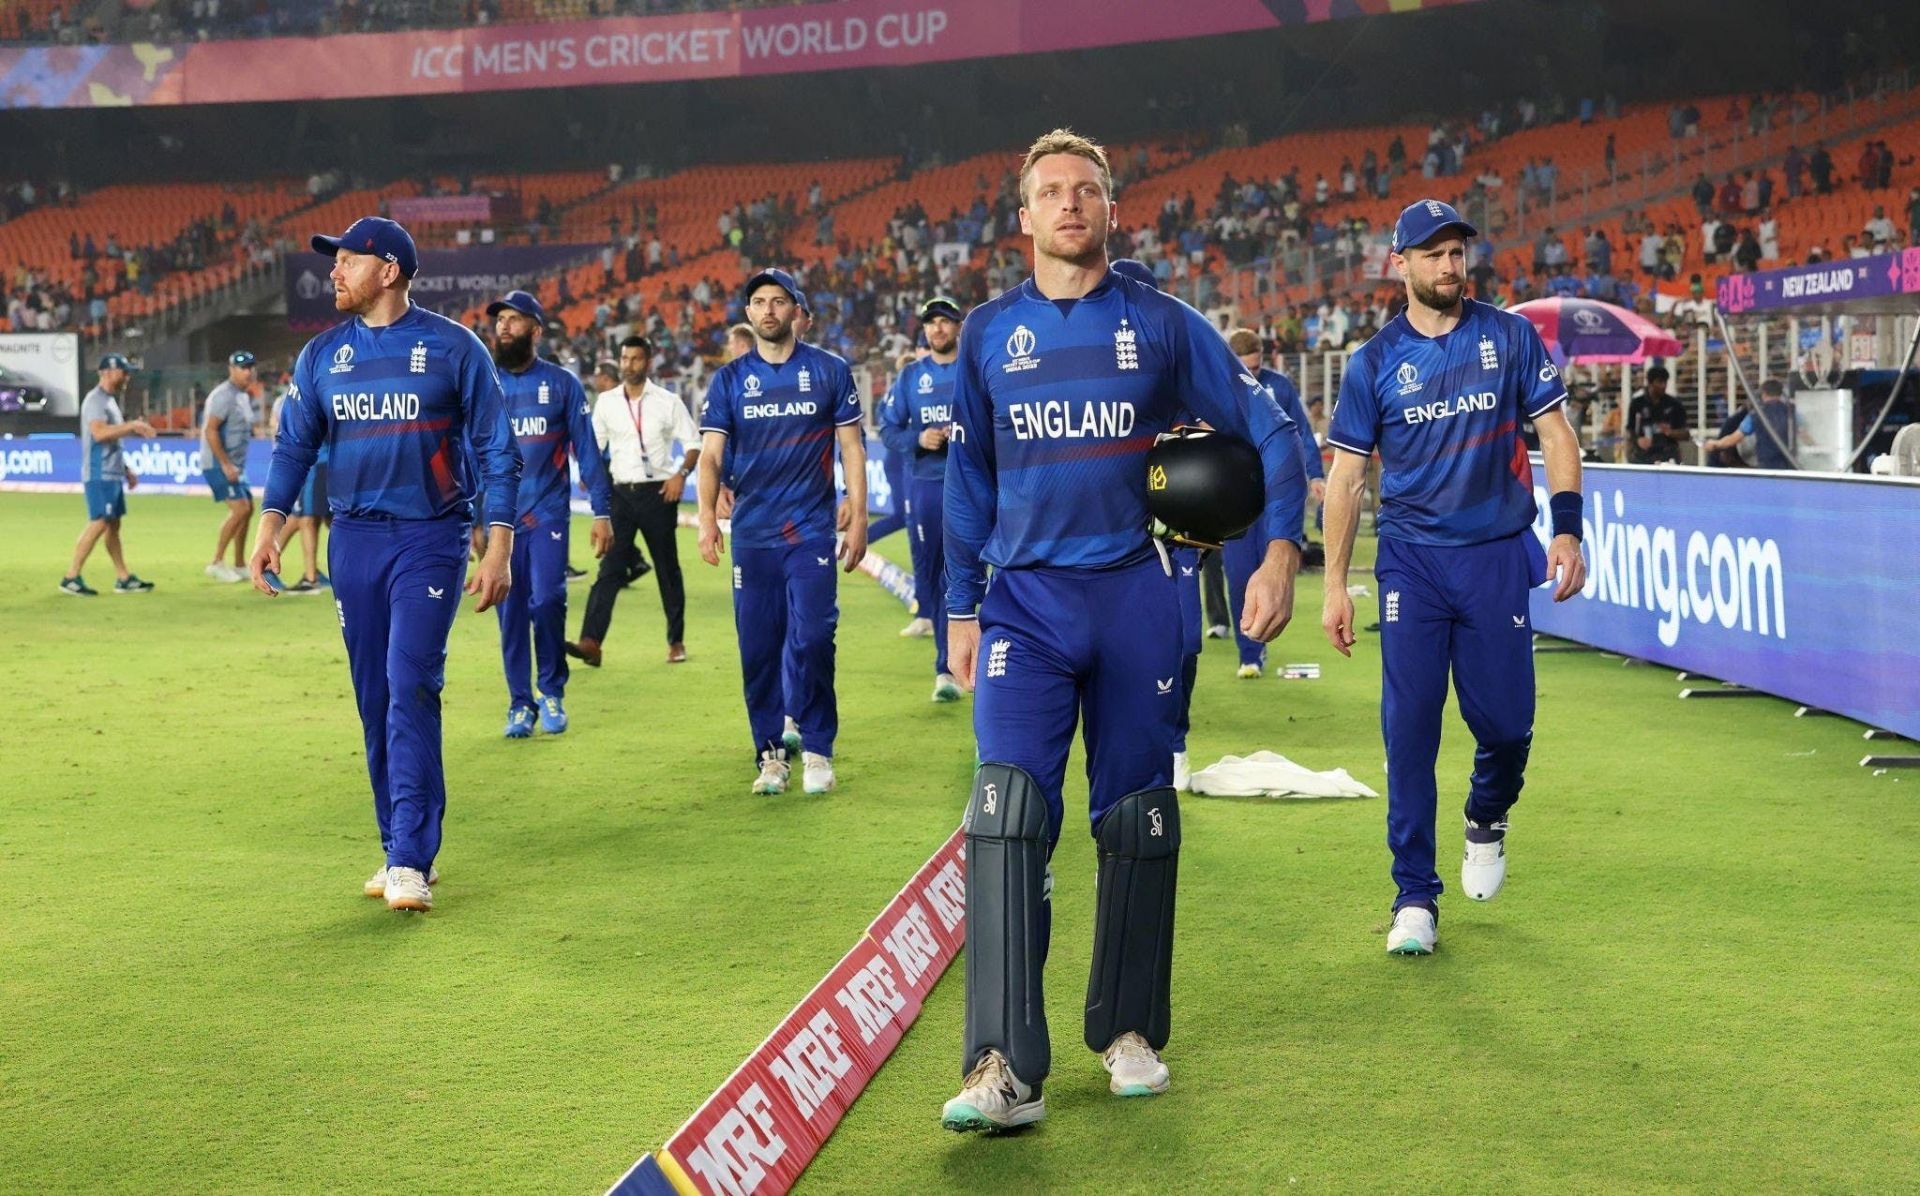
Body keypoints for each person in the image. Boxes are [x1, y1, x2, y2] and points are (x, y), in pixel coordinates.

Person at [939, 130, 1305, 1133]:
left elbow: (1269, 427)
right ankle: (1003, 1066)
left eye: (1085, 191)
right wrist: (958, 608)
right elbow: (966, 480)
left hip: (1142, 596)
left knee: (1138, 817)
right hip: (1024, 605)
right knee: (1006, 810)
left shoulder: (1163, 323)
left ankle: (1129, 1032)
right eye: (1050, 192)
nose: (1068, 205)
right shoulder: (984, 335)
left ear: (1112, 209)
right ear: (1023, 218)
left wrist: (1278, 553)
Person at [1321, 199, 1586, 957]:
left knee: (1505, 726)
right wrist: (1337, 583)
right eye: (1432, 254)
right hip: (1411, 561)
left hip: (1497, 554)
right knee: (1409, 729)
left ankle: (1488, 810)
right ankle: (1414, 896)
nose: (1448, 266)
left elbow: (1556, 435)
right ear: (1399, 263)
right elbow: (1345, 479)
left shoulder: (1508, 335)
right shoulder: (1373, 362)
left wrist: (1565, 527)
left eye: (1456, 252)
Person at [251, 216, 520, 915]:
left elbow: (497, 451)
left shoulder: (454, 348)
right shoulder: (321, 356)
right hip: (354, 542)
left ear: (390, 270)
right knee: (375, 696)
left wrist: (498, 545)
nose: (332, 272)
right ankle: (395, 840)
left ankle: (410, 857)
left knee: (410, 683)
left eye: (346, 261)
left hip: (429, 536)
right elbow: (293, 450)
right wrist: (271, 527)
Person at [696, 268, 868, 797]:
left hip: (810, 531)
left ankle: (816, 747)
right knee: (758, 650)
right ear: (748, 314)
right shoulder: (728, 381)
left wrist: (858, 515)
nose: (768, 310)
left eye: (778, 301)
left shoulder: (830, 371)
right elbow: (710, 456)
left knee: (815, 637)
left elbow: (852, 449)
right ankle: (771, 754)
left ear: (796, 310)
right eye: (759, 302)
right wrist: (706, 517)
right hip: (753, 536)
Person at [483, 290, 612, 738]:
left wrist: (602, 511)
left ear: (535, 330)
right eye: (499, 320)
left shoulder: (561, 384)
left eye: (514, 320)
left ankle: (552, 690)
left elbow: (587, 451)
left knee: (547, 600)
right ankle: (520, 703)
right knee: (510, 609)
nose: (503, 327)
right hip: (499, 519)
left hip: (547, 515)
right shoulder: (483, 385)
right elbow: (464, 455)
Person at [572, 334, 699, 667]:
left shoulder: (667, 401)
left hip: (658, 493)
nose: (630, 365)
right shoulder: (607, 402)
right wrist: (591, 474)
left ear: (649, 362)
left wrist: (680, 475)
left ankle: (676, 641)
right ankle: (591, 642)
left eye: (636, 359)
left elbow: (693, 444)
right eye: (625, 359)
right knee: (609, 568)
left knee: (667, 569)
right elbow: (595, 447)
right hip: (620, 495)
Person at [1222, 327, 1324, 678]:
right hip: (1233, 496)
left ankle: (1257, 644)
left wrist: (1316, 474)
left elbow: (1300, 433)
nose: (1252, 374)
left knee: (1271, 566)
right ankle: (1248, 650)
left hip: (1274, 493)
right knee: (1237, 575)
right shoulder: (1215, 386)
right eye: (1245, 368)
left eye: (1257, 366)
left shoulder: (1279, 386)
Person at [878, 295, 964, 701]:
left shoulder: (975, 370)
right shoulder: (912, 376)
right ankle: (945, 668)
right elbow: (889, 430)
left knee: (983, 572)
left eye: (945, 321)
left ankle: (988, 662)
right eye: (931, 323)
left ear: (958, 327)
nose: (937, 329)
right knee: (935, 575)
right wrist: (919, 438)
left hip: (972, 485)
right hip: (928, 487)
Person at [61, 353, 157, 596]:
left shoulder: (109, 401)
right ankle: (71, 576)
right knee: (100, 521)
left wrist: (125, 469)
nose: (127, 376)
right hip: (98, 472)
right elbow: (100, 434)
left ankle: (123, 578)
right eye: (123, 371)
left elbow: (111, 440)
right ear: (106, 372)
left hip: (111, 472)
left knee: (113, 525)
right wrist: (132, 425)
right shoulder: (96, 400)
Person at [199, 350, 258, 583]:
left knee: (249, 508)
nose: (248, 371)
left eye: (251, 367)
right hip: (218, 462)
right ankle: (216, 562)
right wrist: (225, 463)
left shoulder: (243, 395)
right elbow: (211, 430)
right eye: (243, 367)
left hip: (235, 464)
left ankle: (240, 563)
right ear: (231, 370)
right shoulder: (223, 395)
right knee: (240, 509)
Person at [1702, 378, 1800, 469]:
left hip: (1767, 465)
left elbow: (1733, 439)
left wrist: (1715, 444)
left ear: (1763, 393)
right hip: (1789, 464)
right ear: (1780, 393)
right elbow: (1804, 433)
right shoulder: (1791, 411)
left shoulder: (1756, 414)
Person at [1626, 365, 1688, 464]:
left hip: (1668, 455)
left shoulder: (1675, 404)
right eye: (1659, 382)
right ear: (1650, 383)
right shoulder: (1637, 403)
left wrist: (1671, 432)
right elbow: (1630, 429)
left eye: (1665, 382)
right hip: (1643, 456)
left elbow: (1686, 434)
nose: (1663, 386)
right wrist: (1638, 440)